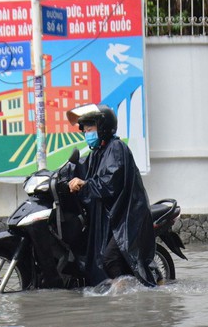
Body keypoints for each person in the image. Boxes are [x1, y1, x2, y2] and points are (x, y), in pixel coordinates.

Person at [66, 104, 156, 287]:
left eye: (90, 129)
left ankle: (130, 293)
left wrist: (85, 184)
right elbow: (82, 168)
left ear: (103, 127)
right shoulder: (98, 152)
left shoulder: (116, 148)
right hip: (113, 216)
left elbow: (109, 182)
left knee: (110, 259)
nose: (87, 134)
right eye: (85, 131)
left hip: (128, 216)